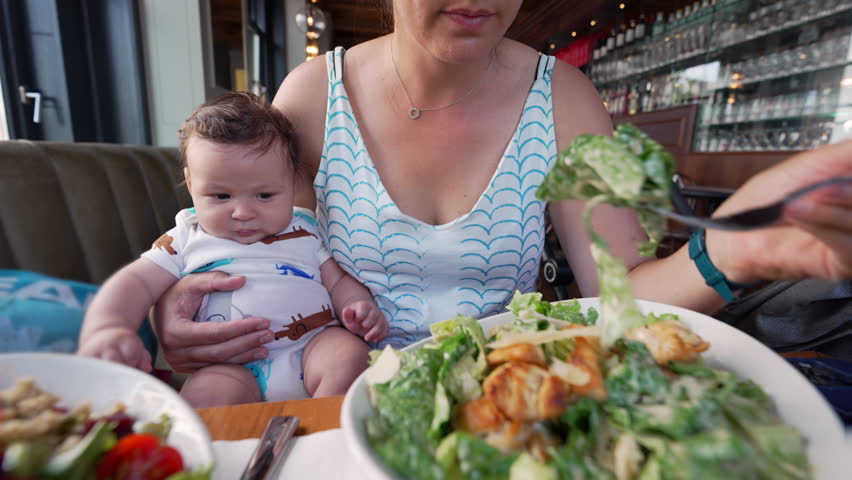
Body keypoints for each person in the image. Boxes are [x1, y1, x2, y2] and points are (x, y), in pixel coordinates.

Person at [150, 1, 852, 373]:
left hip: (500, 393)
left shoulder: (567, 99)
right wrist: (176, 299)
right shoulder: (311, 95)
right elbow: (268, 251)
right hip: (337, 389)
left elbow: (621, 291)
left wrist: (737, 251)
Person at [78, 92, 387, 407]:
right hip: (229, 365)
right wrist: (108, 326)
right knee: (205, 397)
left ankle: (327, 439)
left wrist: (358, 307)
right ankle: (227, 453)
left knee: (350, 358)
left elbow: (337, 282)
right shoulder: (186, 236)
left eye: (265, 195)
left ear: (293, 183)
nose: (243, 212)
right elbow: (136, 282)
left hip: (311, 346)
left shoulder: (304, 230)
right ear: (191, 182)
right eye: (221, 196)